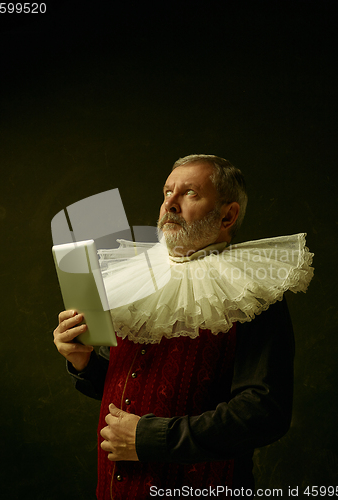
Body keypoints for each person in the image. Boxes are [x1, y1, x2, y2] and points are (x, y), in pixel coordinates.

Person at [53, 155, 313, 499]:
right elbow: (134, 387)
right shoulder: (134, 278)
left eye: (189, 193)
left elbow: (264, 412)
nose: (170, 205)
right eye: (167, 192)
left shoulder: (253, 294)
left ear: (227, 215)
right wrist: (83, 362)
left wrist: (151, 438)